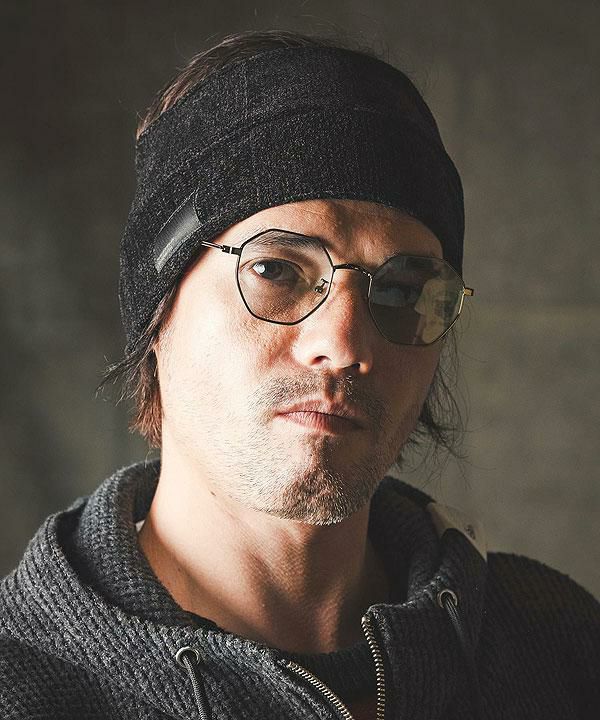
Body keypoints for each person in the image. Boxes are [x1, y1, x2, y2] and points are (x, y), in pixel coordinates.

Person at [1, 29, 598, 720]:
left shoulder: (559, 649)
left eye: (404, 290)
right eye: (277, 270)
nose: (344, 345)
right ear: (156, 310)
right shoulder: (24, 689)